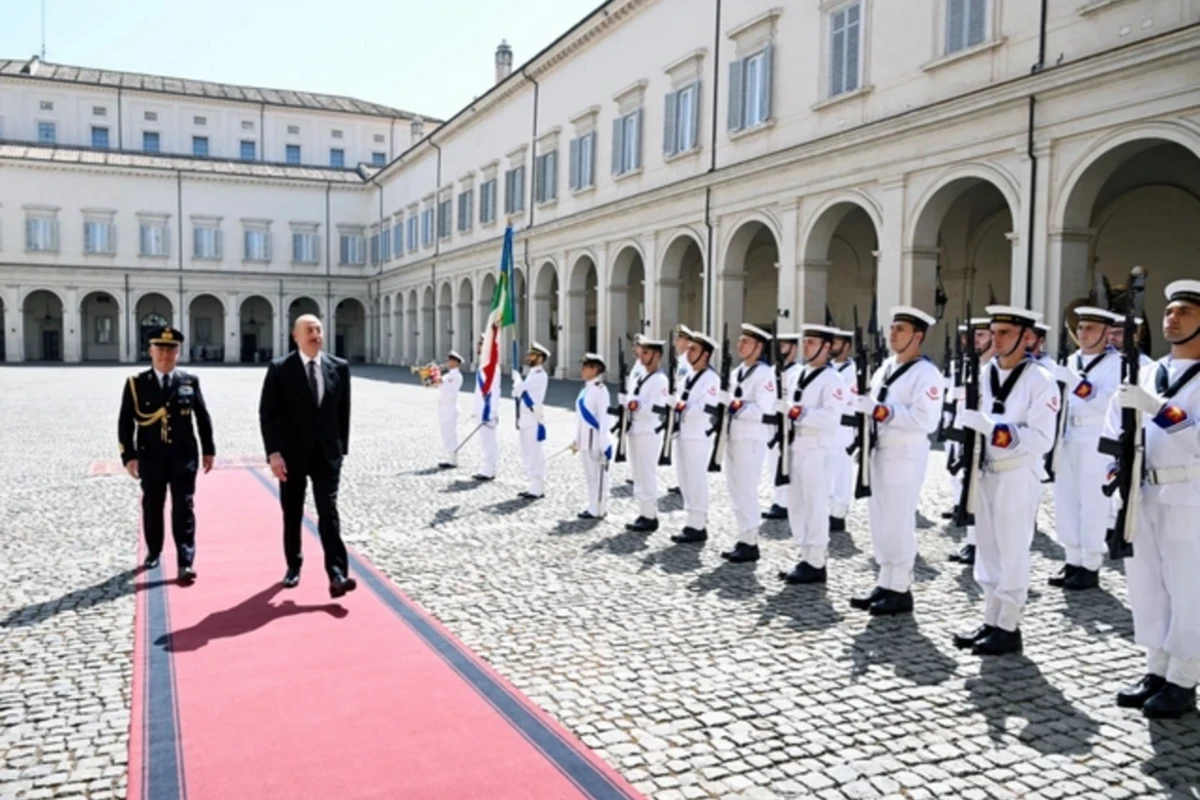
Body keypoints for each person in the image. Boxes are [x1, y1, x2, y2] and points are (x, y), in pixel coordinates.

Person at [1109, 279, 1200, 719]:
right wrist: (1114, 470)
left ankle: (1184, 678)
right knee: (1146, 585)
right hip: (1142, 492)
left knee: (1188, 589)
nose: (1172, 317)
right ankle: (1156, 669)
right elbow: (1116, 425)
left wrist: (1158, 407)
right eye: (1169, 311)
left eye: (1184, 311)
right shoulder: (1148, 370)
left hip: (1189, 494)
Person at [951, 305, 1058, 655]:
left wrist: (993, 430)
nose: (995, 340)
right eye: (993, 333)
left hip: (1017, 473)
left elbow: (1042, 440)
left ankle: (1009, 626)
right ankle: (991, 619)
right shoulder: (985, 373)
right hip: (986, 473)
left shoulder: (1040, 381)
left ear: (1027, 338)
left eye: (1005, 334)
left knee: (1012, 549)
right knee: (988, 548)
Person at [849, 306, 942, 616]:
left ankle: (900, 587)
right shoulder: (885, 368)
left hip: (905, 453)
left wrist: (879, 411)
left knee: (899, 520)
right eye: (892, 328)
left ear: (918, 336)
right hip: (880, 451)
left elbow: (925, 420)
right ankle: (885, 580)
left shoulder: (926, 374)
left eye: (900, 329)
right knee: (879, 520)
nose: (892, 333)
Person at [258, 314, 356, 598]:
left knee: (329, 512)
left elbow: (343, 412)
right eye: (309, 330)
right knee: (292, 512)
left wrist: (341, 450)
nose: (316, 335)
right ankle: (293, 565)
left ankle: (337, 574)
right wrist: (273, 453)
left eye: (318, 330)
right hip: (291, 455)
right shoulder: (280, 368)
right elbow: (269, 414)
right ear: (295, 336)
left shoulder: (339, 367)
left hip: (327, 455)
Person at [118, 326, 214, 584]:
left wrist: (209, 450)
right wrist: (129, 455)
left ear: (178, 352)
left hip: (184, 456)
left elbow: (202, 417)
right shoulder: (136, 384)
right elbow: (125, 422)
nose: (165, 354)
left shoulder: (189, 381)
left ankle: (185, 561)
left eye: (171, 349)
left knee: (184, 506)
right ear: (150, 351)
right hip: (151, 457)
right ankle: (154, 550)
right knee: (153, 505)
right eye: (160, 349)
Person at [1048, 306, 1121, 590]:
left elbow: (1107, 404)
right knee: (1066, 500)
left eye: (1090, 328)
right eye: (1080, 328)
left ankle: (1090, 563)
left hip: (1095, 438)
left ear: (1105, 331)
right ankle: (1072, 558)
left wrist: (1077, 384)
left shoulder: (1117, 364)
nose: (1083, 333)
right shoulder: (1071, 360)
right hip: (1067, 436)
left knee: (1092, 503)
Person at [778, 324, 848, 584]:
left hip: (818, 448)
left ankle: (817, 560)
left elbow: (831, 417)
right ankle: (805, 554)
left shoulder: (833, 380)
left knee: (815, 504)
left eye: (812, 342)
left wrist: (798, 413)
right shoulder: (799, 374)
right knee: (797, 504)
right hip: (797, 446)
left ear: (826, 347)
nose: (806, 347)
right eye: (805, 342)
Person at [720, 324, 777, 564]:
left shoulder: (765, 374)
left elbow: (764, 408)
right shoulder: (738, 372)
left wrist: (735, 405)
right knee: (735, 489)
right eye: (740, 341)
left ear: (758, 346)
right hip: (734, 435)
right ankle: (743, 536)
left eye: (745, 342)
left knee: (746, 489)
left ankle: (751, 540)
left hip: (752, 437)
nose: (739, 345)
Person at [948, 318, 996, 566]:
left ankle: (981, 545)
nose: (974, 340)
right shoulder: (970, 365)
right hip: (963, 435)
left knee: (980, 493)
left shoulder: (996, 369)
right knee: (965, 488)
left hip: (985, 440)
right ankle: (972, 541)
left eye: (981, 335)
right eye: (972, 336)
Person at [670, 331, 719, 544]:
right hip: (683, 433)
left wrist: (683, 407)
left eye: (694, 350)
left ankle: (698, 524)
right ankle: (691, 521)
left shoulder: (711, 379)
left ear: (705, 354)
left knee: (696, 479)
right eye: (688, 348)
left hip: (698, 435)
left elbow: (706, 408)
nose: (688, 353)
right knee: (684, 479)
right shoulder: (688, 376)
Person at [624, 337, 670, 532]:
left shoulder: (660, 379)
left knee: (646, 472)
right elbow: (631, 396)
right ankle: (643, 512)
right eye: (641, 352)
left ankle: (650, 515)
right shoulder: (640, 376)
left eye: (646, 353)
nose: (641, 357)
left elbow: (657, 406)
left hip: (648, 429)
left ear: (657, 355)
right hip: (636, 428)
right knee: (638, 473)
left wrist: (636, 405)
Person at [763, 333, 800, 521]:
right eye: (780, 346)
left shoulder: (797, 372)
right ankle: (778, 500)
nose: (781, 350)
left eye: (785, 346)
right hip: (770, 424)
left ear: (794, 348)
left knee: (786, 463)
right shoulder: (771, 371)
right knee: (772, 464)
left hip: (786, 424)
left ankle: (786, 503)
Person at [573, 353, 612, 519]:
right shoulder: (586, 390)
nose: (581, 370)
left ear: (595, 369)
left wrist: (606, 444)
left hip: (595, 441)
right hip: (585, 441)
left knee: (598, 476)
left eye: (585, 366)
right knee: (590, 477)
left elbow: (604, 419)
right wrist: (577, 439)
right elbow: (581, 419)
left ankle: (600, 507)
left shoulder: (601, 390)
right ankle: (593, 505)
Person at [828, 329, 856, 532]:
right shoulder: (826, 369)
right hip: (825, 427)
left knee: (842, 471)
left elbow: (850, 401)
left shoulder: (853, 372)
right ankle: (826, 509)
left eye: (836, 342)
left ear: (846, 346)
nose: (831, 346)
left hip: (844, 427)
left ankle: (838, 513)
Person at [514, 343, 550, 500]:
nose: (528, 357)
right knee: (527, 453)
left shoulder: (540, 375)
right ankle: (532, 485)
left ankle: (538, 487)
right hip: (525, 420)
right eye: (529, 355)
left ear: (540, 358)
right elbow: (517, 392)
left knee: (535, 454)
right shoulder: (531, 373)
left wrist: (517, 381)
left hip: (533, 420)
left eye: (532, 355)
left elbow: (520, 388)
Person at [667, 324, 694, 497]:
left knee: (688, 449)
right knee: (680, 447)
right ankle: (682, 481)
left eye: (679, 338)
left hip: (686, 409)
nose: (676, 342)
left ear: (687, 341)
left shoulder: (689, 360)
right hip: (678, 406)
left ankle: (688, 482)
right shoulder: (680, 359)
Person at [473, 333, 501, 481]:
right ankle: (486, 468)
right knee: (484, 441)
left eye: (481, 343)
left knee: (489, 441)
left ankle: (489, 470)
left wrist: (491, 411)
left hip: (487, 411)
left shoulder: (492, 367)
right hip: (481, 410)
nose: (478, 346)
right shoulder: (483, 366)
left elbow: (494, 391)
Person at [437, 351, 464, 469]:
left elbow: (447, 388)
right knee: (445, 433)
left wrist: (438, 378)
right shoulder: (448, 375)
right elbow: (435, 383)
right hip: (444, 407)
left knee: (450, 434)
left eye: (449, 360)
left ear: (455, 362)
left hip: (450, 408)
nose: (447, 362)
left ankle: (453, 459)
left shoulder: (456, 376)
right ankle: (449, 457)